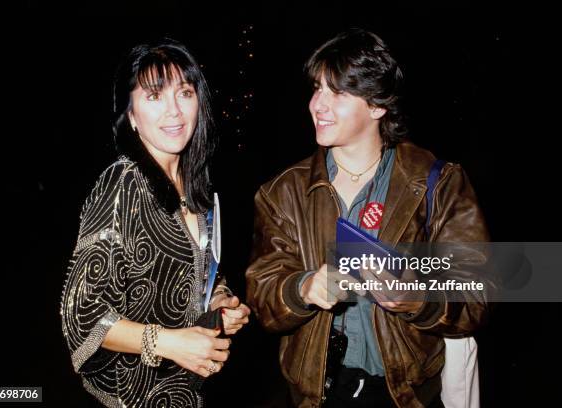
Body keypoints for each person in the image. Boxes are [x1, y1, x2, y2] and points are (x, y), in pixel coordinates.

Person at [246, 29, 491, 407]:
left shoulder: (438, 183)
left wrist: (417, 298)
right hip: (321, 393)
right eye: (317, 88)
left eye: (338, 93)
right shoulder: (283, 192)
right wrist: (302, 288)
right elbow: (262, 296)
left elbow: (477, 294)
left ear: (377, 105)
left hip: (407, 392)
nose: (317, 105)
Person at [61, 37, 250, 407]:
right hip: (132, 396)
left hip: (186, 393)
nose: (174, 111)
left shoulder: (198, 185)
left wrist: (219, 299)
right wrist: (169, 342)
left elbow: (197, 271)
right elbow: (81, 317)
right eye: (153, 96)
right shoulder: (123, 185)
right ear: (130, 115)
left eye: (184, 93)